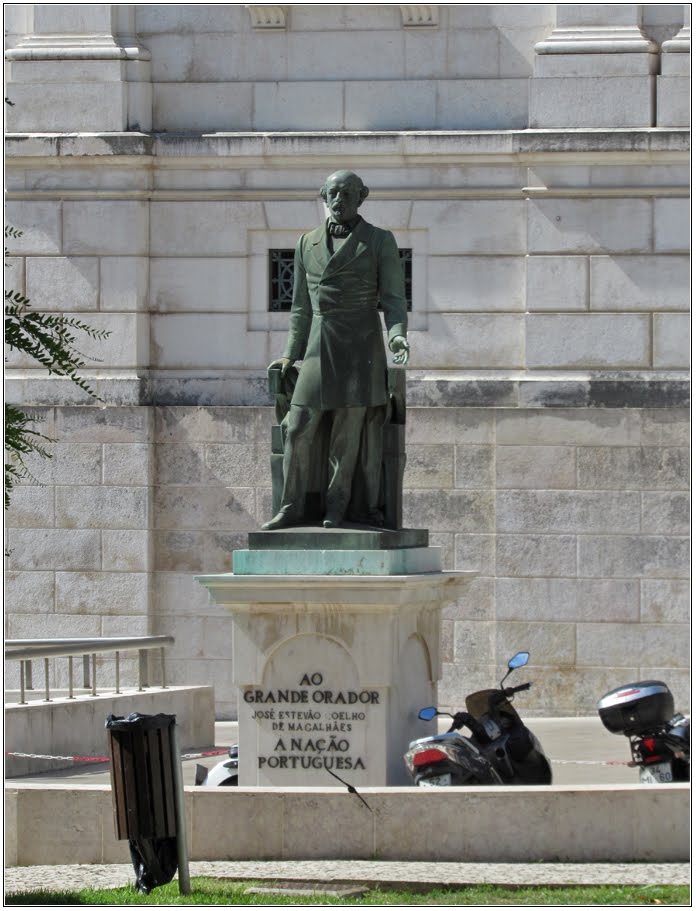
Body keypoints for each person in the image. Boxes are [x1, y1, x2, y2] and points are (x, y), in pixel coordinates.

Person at [262, 169, 409, 530]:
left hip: (360, 348)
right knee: (297, 427)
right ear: (323, 197)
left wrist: (396, 335)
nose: (339, 200)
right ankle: (291, 505)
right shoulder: (305, 243)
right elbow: (301, 307)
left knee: (348, 436)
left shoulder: (378, 240)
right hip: (317, 347)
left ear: (362, 197)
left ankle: (338, 505)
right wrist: (289, 354)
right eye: (333, 193)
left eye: (347, 193)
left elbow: (392, 297)